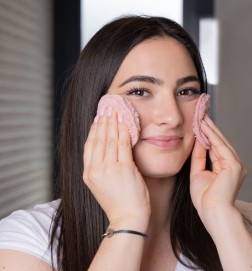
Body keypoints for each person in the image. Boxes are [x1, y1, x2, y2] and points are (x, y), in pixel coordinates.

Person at [0, 15, 251, 271]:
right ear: (93, 107)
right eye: (139, 91)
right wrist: (127, 222)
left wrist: (223, 218)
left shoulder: (237, 222)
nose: (172, 117)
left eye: (186, 91)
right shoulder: (27, 240)